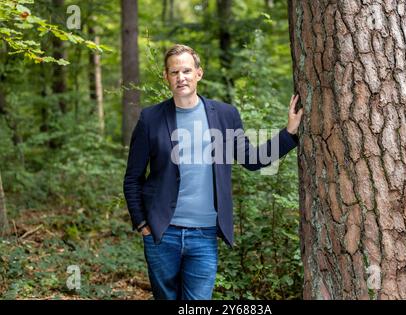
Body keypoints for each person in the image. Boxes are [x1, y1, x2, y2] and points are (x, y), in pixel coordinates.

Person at [123, 44, 303, 300]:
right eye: (174, 72)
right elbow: (133, 178)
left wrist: (288, 134)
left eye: (186, 70)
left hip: (204, 234)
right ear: (166, 77)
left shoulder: (225, 115)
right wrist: (142, 224)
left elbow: (251, 160)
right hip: (162, 233)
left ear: (199, 73)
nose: (180, 77)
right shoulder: (150, 118)